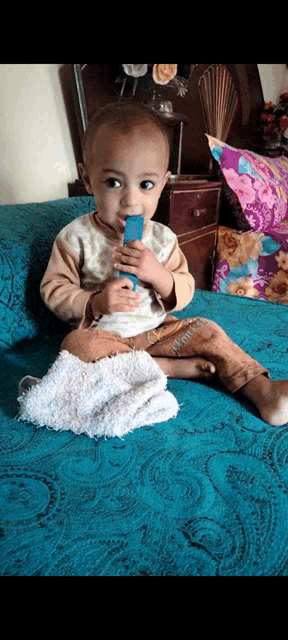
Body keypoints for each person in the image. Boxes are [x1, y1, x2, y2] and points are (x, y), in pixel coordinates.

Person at [40, 102, 288, 427]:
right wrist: (95, 301)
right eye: (114, 182)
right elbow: (54, 290)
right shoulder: (75, 237)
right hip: (106, 338)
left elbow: (184, 290)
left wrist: (158, 274)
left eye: (145, 185)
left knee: (208, 330)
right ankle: (165, 367)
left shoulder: (163, 238)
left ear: (163, 182)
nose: (131, 201)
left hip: (159, 331)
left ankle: (263, 391)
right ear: (88, 179)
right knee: (74, 347)